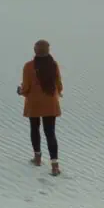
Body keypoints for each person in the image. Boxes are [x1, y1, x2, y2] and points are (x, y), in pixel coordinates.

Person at [17, 39, 63, 175]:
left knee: (34, 128)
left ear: (35, 51)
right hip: (50, 103)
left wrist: (20, 91)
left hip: (34, 103)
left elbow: (26, 88)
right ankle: (54, 165)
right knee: (50, 133)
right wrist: (57, 93)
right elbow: (59, 84)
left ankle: (37, 158)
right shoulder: (53, 65)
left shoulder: (28, 66)